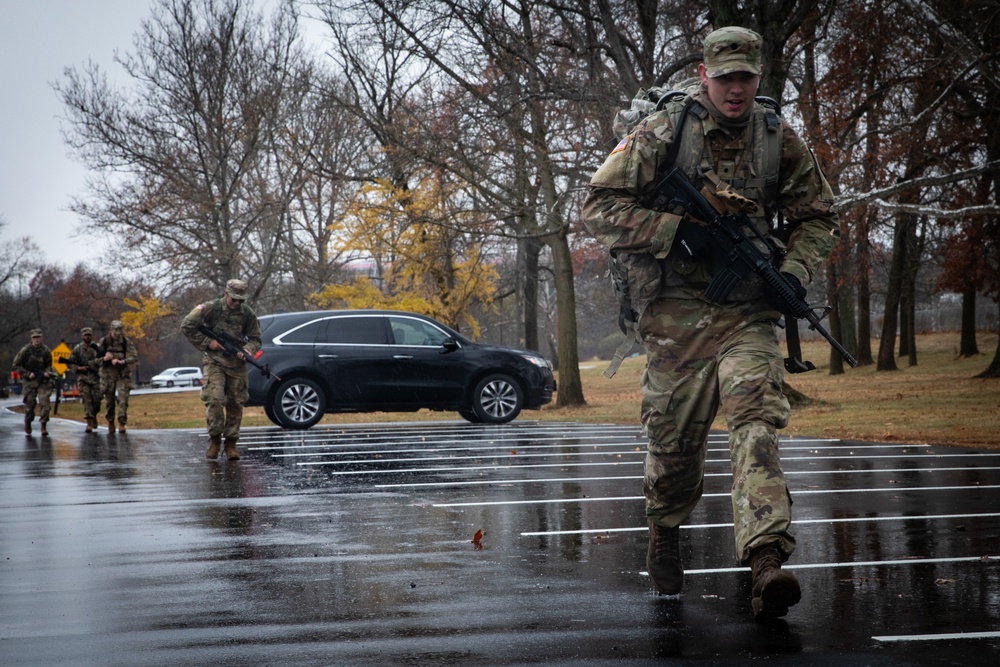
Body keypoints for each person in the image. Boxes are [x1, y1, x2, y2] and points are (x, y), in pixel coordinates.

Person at [582, 26, 841, 619]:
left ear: (759, 77)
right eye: (724, 77)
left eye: (746, 77)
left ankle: (766, 561)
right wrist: (679, 236)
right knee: (673, 443)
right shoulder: (664, 131)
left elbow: (818, 215)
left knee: (755, 423)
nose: (736, 89)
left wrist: (795, 272)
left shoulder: (777, 138)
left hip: (747, 311)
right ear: (704, 75)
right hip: (674, 315)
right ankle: (665, 530)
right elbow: (598, 206)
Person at [181, 279, 261, 461]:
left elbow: (256, 338)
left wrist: (248, 350)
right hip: (214, 361)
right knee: (215, 400)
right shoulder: (210, 308)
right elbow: (186, 326)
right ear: (226, 294)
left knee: (236, 403)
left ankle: (231, 443)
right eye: (234, 299)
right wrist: (208, 342)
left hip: (237, 364)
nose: (237, 303)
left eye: (241, 300)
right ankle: (215, 440)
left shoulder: (247, 313)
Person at [12, 329, 54, 436]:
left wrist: (47, 372)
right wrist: (27, 373)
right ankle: (28, 421)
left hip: (43, 381)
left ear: (42, 338)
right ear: (31, 339)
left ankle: (43, 425)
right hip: (29, 381)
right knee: (30, 404)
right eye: (34, 337)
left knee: (45, 403)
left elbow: (49, 364)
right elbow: (16, 364)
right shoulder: (25, 350)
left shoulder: (46, 350)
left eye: (38, 337)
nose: (37, 340)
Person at [99, 320, 138, 433]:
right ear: (111, 329)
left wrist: (124, 361)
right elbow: (95, 358)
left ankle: (122, 422)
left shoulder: (125, 341)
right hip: (108, 374)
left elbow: (134, 356)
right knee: (109, 399)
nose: (117, 333)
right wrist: (105, 358)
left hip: (122, 373)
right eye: (115, 331)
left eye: (119, 330)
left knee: (123, 398)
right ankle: (110, 421)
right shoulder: (104, 342)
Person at [63, 327, 104, 433]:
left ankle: (93, 415)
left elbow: (103, 360)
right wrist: (78, 368)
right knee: (87, 400)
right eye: (85, 335)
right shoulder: (78, 349)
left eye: (89, 335)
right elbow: (69, 362)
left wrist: (96, 363)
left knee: (97, 401)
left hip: (96, 378)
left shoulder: (97, 348)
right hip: (83, 378)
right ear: (82, 336)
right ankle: (89, 422)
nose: (87, 337)